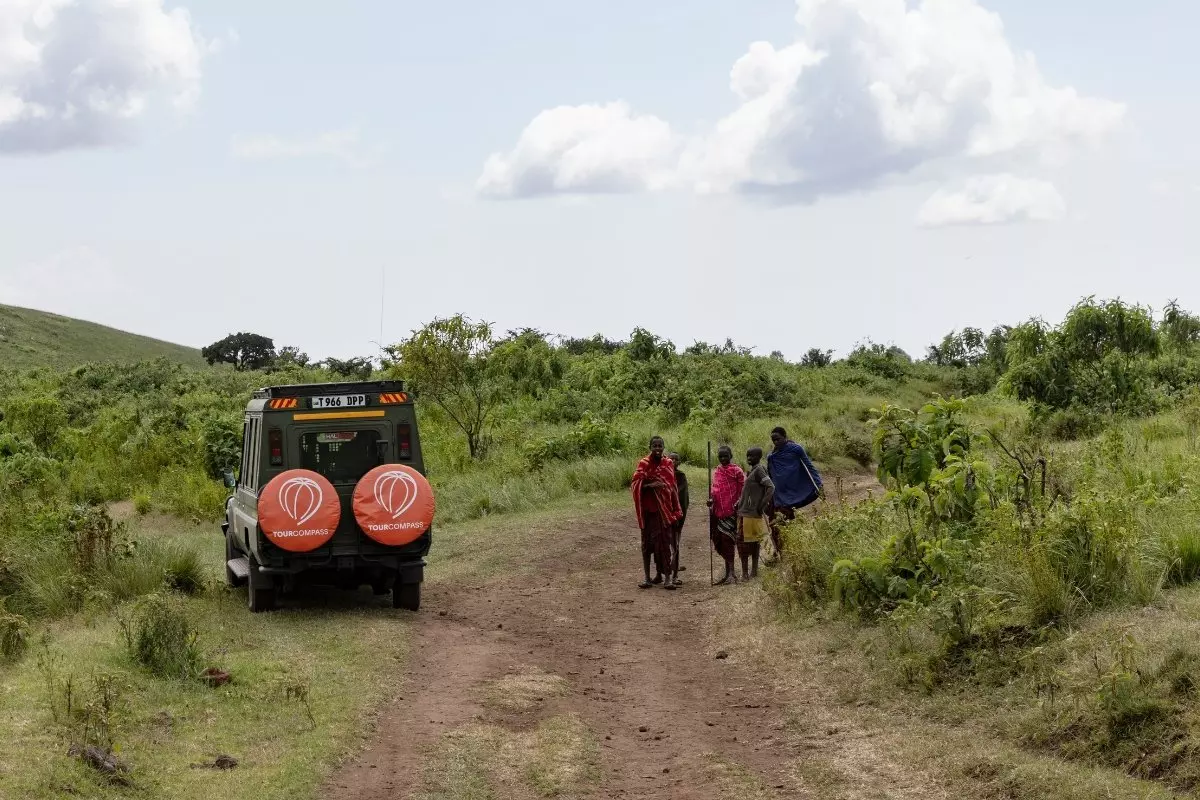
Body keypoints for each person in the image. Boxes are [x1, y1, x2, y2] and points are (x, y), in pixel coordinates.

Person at [630, 436, 683, 590]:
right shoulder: (644, 463)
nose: (658, 449)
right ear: (650, 447)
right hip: (648, 512)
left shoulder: (668, 464)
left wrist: (676, 511)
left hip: (664, 512)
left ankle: (667, 579)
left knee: (664, 545)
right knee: (647, 546)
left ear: (663, 447)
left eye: (660, 446)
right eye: (655, 446)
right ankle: (647, 578)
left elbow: (672, 487)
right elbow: (635, 484)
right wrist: (650, 485)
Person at [766, 426, 822, 560]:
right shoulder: (772, 456)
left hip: (791, 493)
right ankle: (780, 551)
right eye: (773, 440)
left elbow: (809, 466)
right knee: (775, 523)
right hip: (778, 495)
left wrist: (819, 484)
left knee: (784, 521)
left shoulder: (796, 449)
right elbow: (770, 475)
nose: (776, 442)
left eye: (778, 439)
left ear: (785, 437)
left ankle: (788, 551)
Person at [707, 445, 744, 585]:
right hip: (718, 512)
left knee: (728, 541)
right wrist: (711, 500)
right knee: (721, 541)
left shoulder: (737, 471)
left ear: (731, 456)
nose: (723, 459)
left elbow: (743, 490)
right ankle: (728, 573)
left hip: (731, 511)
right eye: (720, 456)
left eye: (725, 456)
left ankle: (732, 574)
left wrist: (738, 503)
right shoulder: (717, 471)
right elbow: (715, 490)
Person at [737, 447, 774, 579]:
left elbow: (771, 487)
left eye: (752, 456)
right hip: (747, 512)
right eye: (748, 455)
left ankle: (746, 573)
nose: (749, 458)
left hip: (751, 513)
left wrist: (761, 505)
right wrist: (739, 502)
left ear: (758, 457)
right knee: (752, 542)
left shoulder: (759, 470)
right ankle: (751, 572)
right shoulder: (753, 471)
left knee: (744, 543)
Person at [668, 452, 689, 586]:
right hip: (664, 514)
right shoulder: (662, 473)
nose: (673, 461)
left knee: (675, 543)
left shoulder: (681, 476)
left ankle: (674, 573)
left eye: (676, 459)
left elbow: (683, 498)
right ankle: (662, 572)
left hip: (676, 514)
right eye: (671, 458)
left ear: (679, 462)